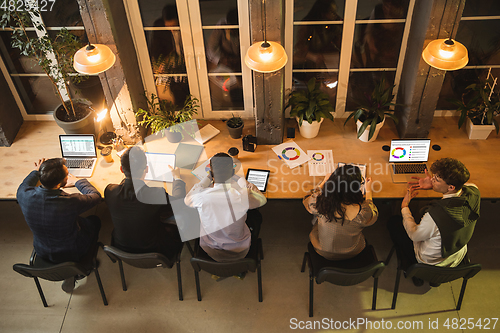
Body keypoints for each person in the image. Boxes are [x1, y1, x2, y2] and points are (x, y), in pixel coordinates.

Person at [387, 157, 480, 286]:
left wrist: (404, 206)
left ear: (451, 187)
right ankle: (434, 281)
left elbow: (414, 235)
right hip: (456, 254)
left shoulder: (436, 216)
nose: (431, 179)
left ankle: (411, 266)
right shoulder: (474, 192)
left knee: (395, 223)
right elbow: (466, 185)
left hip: (430, 261)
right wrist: (434, 186)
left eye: (436, 179)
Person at [17, 158, 102, 292]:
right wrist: (78, 181)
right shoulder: (69, 202)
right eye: (67, 175)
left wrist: (37, 171)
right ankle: (77, 270)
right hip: (72, 252)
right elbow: (96, 196)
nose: (68, 176)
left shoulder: (23, 195)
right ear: (59, 184)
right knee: (95, 220)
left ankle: (68, 271)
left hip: (42, 250)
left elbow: (26, 183)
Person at [105, 146, 186, 259]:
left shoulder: (110, 192)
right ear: (147, 169)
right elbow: (180, 201)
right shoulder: (155, 194)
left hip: (121, 248)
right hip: (154, 250)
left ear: (121, 169)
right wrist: (177, 178)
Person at [184, 153, 267, 262]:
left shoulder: (200, 197)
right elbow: (262, 200)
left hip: (210, 250)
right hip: (240, 251)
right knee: (256, 216)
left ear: (211, 172)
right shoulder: (241, 195)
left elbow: (187, 199)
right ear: (232, 172)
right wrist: (240, 179)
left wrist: (207, 179)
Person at [303, 165, 378, 261]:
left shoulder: (320, 204)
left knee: (316, 221)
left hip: (322, 250)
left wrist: (324, 182)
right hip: (352, 252)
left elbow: (308, 198)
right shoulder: (363, 213)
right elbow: (373, 212)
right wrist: (368, 191)